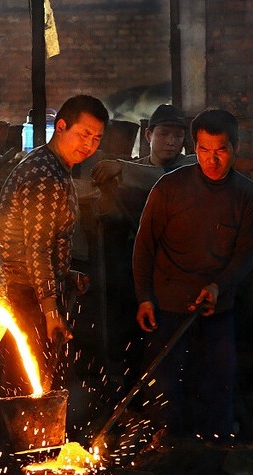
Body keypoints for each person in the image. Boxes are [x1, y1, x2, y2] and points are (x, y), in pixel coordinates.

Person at [132, 108, 253, 443]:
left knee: (216, 384)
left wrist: (219, 286)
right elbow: (144, 245)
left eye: (220, 150)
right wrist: (144, 296)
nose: (212, 159)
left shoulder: (248, 196)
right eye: (204, 150)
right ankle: (161, 446)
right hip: (167, 306)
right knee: (163, 385)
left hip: (217, 308)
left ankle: (213, 449)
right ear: (195, 148)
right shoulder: (169, 187)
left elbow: (244, 254)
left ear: (235, 147)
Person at [0, 95, 109, 394]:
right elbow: (37, 248)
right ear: (61, 127)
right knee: (26, 381)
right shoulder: (44, 174)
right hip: (24, 293)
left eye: (96, 138)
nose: (89, 144)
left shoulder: (57, 168)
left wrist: (66, 275)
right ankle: (24, 439)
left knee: (38, 378)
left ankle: (36, 437)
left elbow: (48, 241)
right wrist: (50, 312)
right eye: (84, 134)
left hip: (35, 291)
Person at [88, 105, 198, 372]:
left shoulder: (190, 167)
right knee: (133, 330)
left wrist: (120, 168)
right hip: (137, 266)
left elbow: (165, 178)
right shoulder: (132, 170)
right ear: (148, 136)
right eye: (164, 134)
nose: (171, 142)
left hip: (176, 270)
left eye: (178, 136)